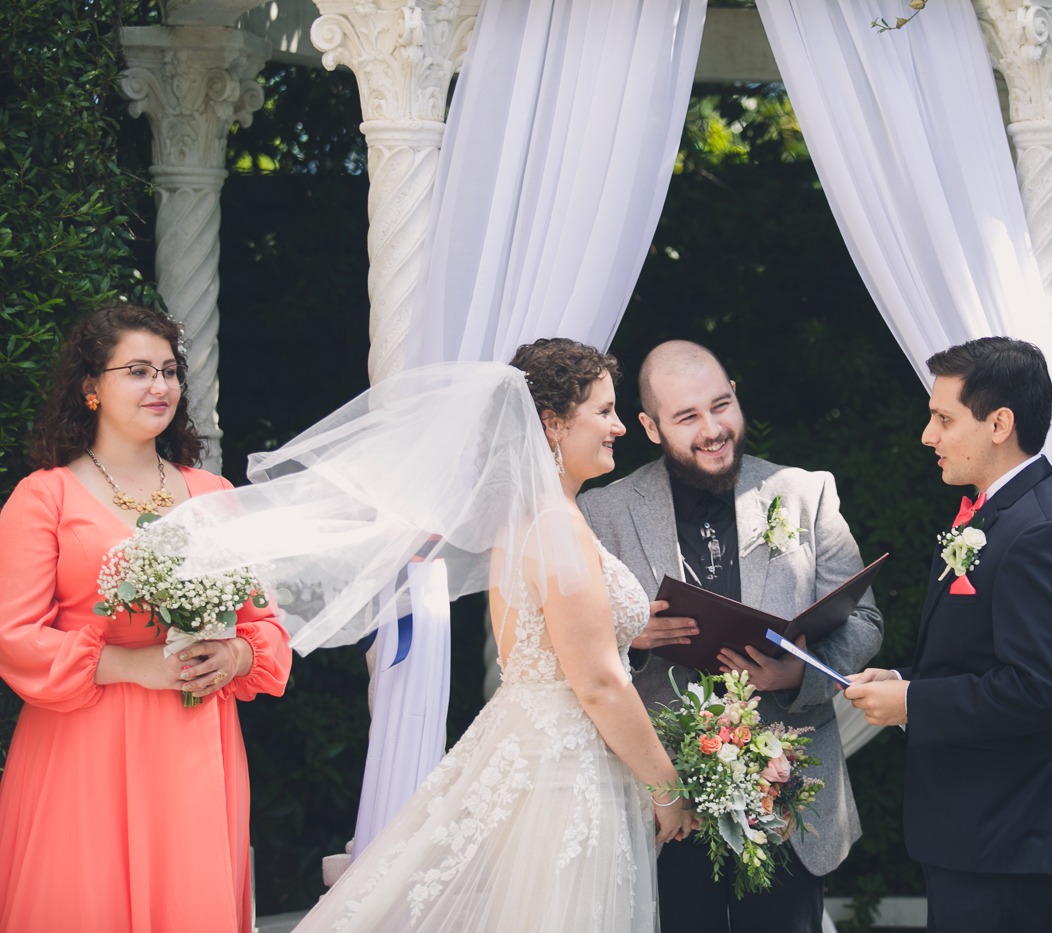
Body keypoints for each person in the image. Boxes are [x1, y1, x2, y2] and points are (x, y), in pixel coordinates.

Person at [292, 338, 695, 932]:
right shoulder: (555, 525)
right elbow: (598, 683)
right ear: (553, 425)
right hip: (566, 769)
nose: (619, 427)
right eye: (604, 411)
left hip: (540, 749)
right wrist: (667, 788)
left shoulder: (534, 517)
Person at [0, 303, 293, 932]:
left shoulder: (212, 495)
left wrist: (237, 654)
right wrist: (132, 664)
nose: (158, 386)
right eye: (137, 371)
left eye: (168, 370)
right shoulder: (43, 497)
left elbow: (264, 622)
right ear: (90, 388)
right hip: (84, 742)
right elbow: (14, 638)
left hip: (193, 741)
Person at [578, 339, 883, 933]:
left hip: (788, 793)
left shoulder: (806, 492)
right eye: (687, 417)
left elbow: (865, 622)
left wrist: (801, 673)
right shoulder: (602, 512)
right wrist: (629, 639)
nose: (713, 429)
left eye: (721, 406)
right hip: (663, 800)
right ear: (648, 425)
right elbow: (569, 653)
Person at [844, 336, 1052, 933]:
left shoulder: (1040, 532)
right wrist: (908, 680)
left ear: (999, 424)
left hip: (1008, 834)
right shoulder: (995, 513)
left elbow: (1038, 688)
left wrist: (912, 702)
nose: (928, 436)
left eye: (943, 418)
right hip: (979, 832)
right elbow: (984, 657)